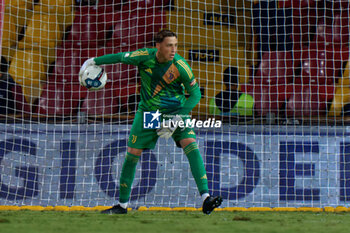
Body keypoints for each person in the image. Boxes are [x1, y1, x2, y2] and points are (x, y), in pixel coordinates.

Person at [79, 30, 222, 214]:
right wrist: (94, 61)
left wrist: (177, 118)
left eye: (175, 45)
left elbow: (196, 94)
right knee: (132, 154)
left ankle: (206, 198)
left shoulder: (180, 65)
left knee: (190, 144)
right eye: (169, 45)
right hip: (150, 113)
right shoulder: (144, 56)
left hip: (176, 111)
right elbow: (120, 57)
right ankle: (122, 206)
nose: (173, 49)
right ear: (158, 46)